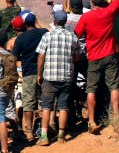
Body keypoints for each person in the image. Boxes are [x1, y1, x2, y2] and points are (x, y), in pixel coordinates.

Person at [74, 0, 119, 134]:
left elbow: (77, 34)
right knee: (114, 87)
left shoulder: (86, 17)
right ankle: (117, 118)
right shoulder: (109, 12)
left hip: (94, 57)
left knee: (91, 89)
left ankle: (91, 121)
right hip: (110, 54)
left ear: (92, 2)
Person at [36, 10, 80, 145]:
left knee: (46, 106)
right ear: (65, 22)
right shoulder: (72, 37)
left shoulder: (47, 36)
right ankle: (61, 135)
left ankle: (44, 136)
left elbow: (41, 56)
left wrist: (39, 74)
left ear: (54, 22)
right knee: (63, 106)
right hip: (66, 77)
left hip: (49, 76)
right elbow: (76, 57)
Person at [12, 12, 48, 142]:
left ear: (24, 24)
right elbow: (44, 30)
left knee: (28, 103)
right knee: (46, 102)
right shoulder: (44, 32)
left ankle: (29, 131)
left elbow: (14, 57)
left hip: (28, 73)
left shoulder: (21, 38)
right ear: (34, 21)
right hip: (44, 72)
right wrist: (36, 22)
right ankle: (47, 127)